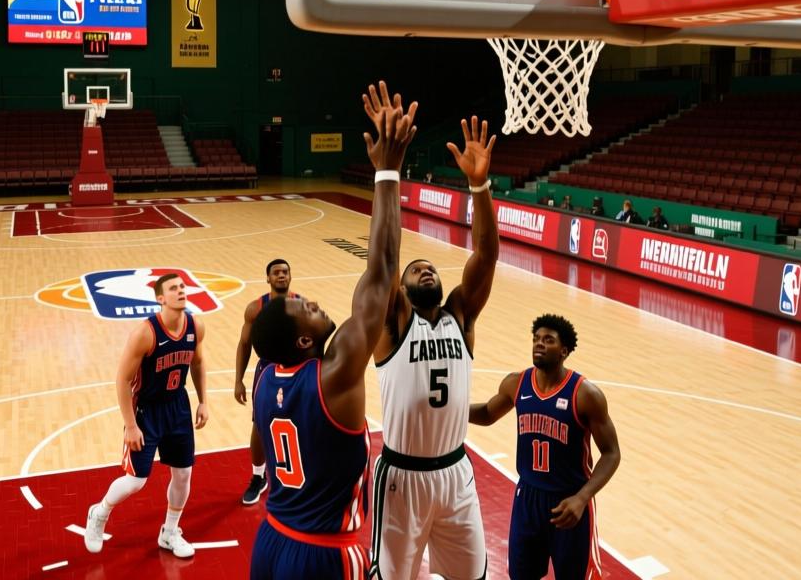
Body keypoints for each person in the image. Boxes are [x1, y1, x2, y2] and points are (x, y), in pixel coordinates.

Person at [248, 81, 416, 578]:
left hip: (270, 538)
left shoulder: (265, 380)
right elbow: (383, 269)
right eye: (305, 308)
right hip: (321, 553)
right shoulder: (333, 374)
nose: (313, 301)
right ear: (304, 341)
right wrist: (388, 170)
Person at [371, 115, 499, 580]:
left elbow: (486, 255)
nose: (426, 270)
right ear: (402, 288)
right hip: (402, 477)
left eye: (431, 268)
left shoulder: (460, 316)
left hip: (456, 473)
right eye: (416, 270)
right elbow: (385, 260)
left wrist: (479, 186)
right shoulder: (393, 323)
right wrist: (388, 173)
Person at [469, 314, 621, 580]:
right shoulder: (516, 383)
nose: (539, 343)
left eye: (548, 340)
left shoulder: (585, 394)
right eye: (536, 338)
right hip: (527, 498)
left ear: (564, 351)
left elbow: (611, 453)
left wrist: (582, 498)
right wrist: (450, 410)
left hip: (569, 502)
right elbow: (488, 414)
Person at [84, 273, 209, 559]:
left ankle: (169, 532)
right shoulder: (145, 333)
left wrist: (204, 401)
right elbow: (123, 380)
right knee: (136, 481)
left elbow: (199, 363)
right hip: (147, 411)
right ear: (160, 298)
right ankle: (99, 513)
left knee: (183, 474)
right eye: (173, 288)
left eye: (183, 286)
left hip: (178, 406)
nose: (181, 290)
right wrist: (130, 425)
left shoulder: (195, 326)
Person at [234, 258, 297, 505]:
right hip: (268, 370)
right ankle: (258, 477)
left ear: (290, 276)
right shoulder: (255, 308)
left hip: (296, 369)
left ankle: (296, 473)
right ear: (268, 278)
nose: (281, 275)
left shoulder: (303, 305)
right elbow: (245, 344)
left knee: (300, 422)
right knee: (260, 424)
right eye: (276, 272)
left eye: (285, 272)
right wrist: (238, 380)